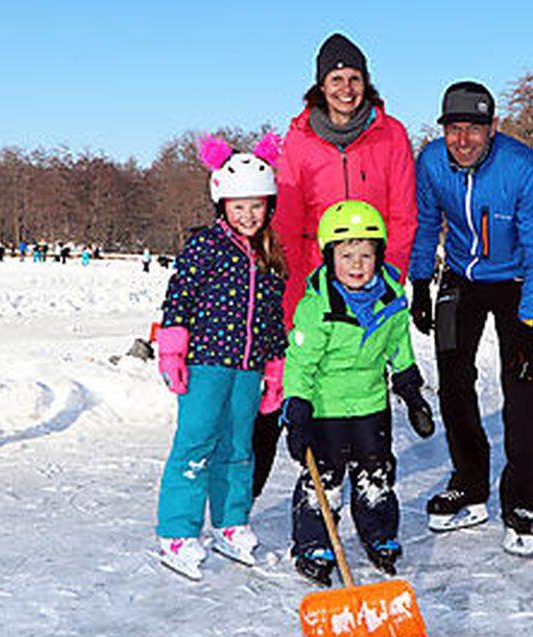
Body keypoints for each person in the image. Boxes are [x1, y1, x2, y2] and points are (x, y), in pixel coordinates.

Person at [254, 32, 419, 501]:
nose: (346, 88)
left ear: (366, 82)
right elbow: (286, 221)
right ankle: (303, 495)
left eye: (354, 78)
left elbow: (403, 215)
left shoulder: (392, 134)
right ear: (319, 86)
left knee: (363, 379)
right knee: (309, 383)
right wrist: (291, 297)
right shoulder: (299, 139)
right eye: (336, 79)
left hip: (372, 280)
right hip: (315, 287)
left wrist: (388, 281)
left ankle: (372, 491)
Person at [408, 81, 533, 556]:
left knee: (520, 384)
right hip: (461, 277)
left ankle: (524, 499)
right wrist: (419, 284)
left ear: (493, 127)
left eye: (474, 128)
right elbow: (427, 221)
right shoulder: (431, 162)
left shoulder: (522, 167)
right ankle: (470, 484)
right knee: (452, 381)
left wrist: (532, 321)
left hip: (517, 283)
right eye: (454, 129)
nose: (463, 139)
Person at [151, 133, 288, 581]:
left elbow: (271, 318)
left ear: (269, 205)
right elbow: (179, 298)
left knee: (238, 449)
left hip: (248, 369)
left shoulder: (269, 255)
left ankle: (231, 522)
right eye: (239, 206)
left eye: (257, 206)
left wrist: (275, 368)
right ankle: (177, 531)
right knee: (195, 445)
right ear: (222, 204)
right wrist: (172, 348)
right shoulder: (205, 247)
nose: (249, 215)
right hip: (207, 364)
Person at [281, 200, 434, 586]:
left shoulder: (391, 297)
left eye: (365, 255)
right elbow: (300, 364)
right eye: (346, 255)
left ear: (378, 256)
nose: (356, 265)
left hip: (370, 405)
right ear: (330, 257)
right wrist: (297, 410)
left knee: (376, 474)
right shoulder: (317, 307)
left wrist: (410, 389)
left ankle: (379, 534)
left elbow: (398, 344)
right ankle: (314, 543)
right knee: (324, 481)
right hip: (325, 409)